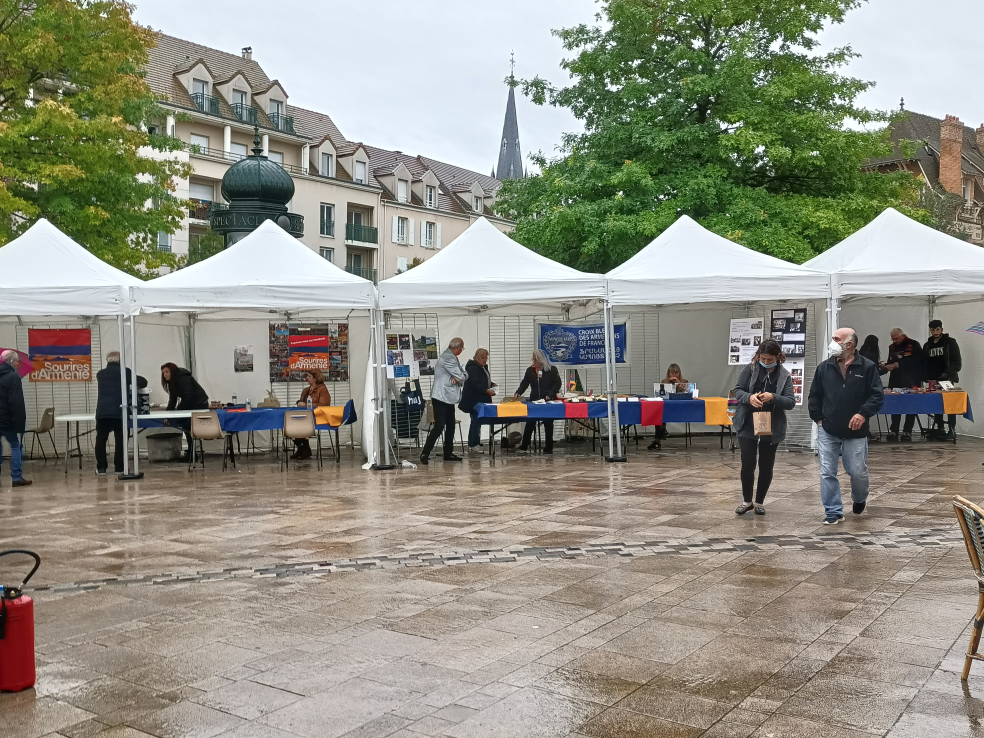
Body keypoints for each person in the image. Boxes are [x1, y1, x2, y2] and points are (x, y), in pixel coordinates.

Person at [808, 328, 884, 525]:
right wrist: (818, 419)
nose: (833, 342)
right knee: (827, 471)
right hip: (828, 429)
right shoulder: (824, 368)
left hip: (856, 432)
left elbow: (877, 396)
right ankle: (833, 511)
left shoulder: (867, 367)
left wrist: (863, 413)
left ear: (849, 344)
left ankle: (859, 498)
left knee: (857, 471)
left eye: (837, 339)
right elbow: (814, 396)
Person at [732, 340, 796, 516]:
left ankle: (759, 502)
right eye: (763, 358)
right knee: (748, 463)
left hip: (771, 426)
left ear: (778, 357)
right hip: (747, 422)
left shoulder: (784, 375)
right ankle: (747, 502)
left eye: (770, 359)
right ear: (758, 356)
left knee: (766, 465)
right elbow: (737, 391)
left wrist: (773, 397)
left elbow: (790, 402)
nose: (766, 362)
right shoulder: (750, 369)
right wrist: (749, 397)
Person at [94, 352, 147, 476]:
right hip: (119, 411)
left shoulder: (100, 374)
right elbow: (143, 382)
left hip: (102, 411)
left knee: (101, 440)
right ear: (120, 361)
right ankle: (119, 468)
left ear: (107, 361)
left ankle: (101, 468)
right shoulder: (124, 372)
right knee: (121, 440)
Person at [420, 338, 467, 464]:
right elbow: (462, 375)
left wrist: (459, 377)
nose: (462, 351)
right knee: (439, 425)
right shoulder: (448, 358)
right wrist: (459, 377)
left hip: (447, 397)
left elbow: (462, 375)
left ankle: (448, 453)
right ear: (458, 347)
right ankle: (425, 452)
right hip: (441, 397)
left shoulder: (452, 357)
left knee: (450, 425)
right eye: (462, 348)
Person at [511, 349, 562, 454]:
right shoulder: (530, 371)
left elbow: (557, 384)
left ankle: (549, 447)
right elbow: (524, 383)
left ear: (541, 361)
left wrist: (550, 394)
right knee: (530, 422)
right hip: (535, 400)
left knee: (548, 423)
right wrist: (518, 393)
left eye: (535, 361)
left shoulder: (552, 370)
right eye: (533, 360)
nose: (533, 363)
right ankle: (524, 445)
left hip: (547, 400)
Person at [882, 328, 925, 441]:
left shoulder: (913, 344)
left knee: (910, 406)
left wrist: (900, 364)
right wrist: (887, 366)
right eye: (892, 339)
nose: (894, 341)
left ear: (902, 336)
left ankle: (907, 431)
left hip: (911, 380)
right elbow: (890, 360)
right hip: (896, 380)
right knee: (895, 406)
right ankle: (894, 430)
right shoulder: (892, 347)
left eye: (896, 338)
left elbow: (920, 360)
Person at [161, 363, 210, 460]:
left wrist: (178, 411)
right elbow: (172, 400)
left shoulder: (184, 378)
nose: (165, 375)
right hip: (191, 404)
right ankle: (191, 453)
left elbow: (189, 396)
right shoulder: (172, 382)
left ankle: (192, 453)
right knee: (186, 425)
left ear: (172, 371)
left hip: (200, 404)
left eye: (166, 372)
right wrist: (167, 415)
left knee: (187, 425)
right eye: (163, 373)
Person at [924, 319, 962, 440]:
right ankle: (940, 428)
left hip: (947, 379)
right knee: (936, 404)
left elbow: (957, 362)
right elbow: (924, 363)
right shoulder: (927, 345)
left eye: (937, 329)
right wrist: (925, 376)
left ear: (942, 329)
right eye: (932, 330)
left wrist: (948, 373)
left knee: (950, 404)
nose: (935, 332)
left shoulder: (950, 343)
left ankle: (952, 429)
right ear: (930, 331)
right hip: (933, 380)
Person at [0, 350, 31, 487]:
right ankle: (17, 478)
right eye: (16, 362)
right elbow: (16, 402)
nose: (18, 364)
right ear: (12, 362)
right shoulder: (13, 377)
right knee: (15, 446)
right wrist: (20, 423)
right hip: (8, 420)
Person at [459, 349, 496, 454]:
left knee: (477, 421)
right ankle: (473, 444)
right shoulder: (472, 368)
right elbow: (475, 383)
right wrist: (486, 390)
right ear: (477, 358)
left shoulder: (483, 367)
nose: (485, 360)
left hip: (481, 400)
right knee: (475, 421)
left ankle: (474, 443)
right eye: (482, 358)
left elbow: (484, 380)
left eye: (486, 358)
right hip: (474, 400)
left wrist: (491, 384)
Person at [648, 364, 689, 449]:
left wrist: (678, 382)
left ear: (679, 373)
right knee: (657, 412)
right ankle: (658, 437)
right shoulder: (664, 382)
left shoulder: (684, 381)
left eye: (676, 373)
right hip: (667, 406)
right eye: (672, 373)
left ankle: (661, 433)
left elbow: (686, 393)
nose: (674, 375)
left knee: (661, 412)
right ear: (668, 373)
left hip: (679, 407)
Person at [293, 369, 330, 460]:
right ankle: (303, 447)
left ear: (316, 378)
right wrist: (299, 403)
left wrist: (305, 405)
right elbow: (301, 402)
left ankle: (304, 448)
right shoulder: (306, 390)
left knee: (298, 424)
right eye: (307, 376)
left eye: (309, 376)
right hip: (305, 416)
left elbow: (324, 405)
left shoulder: (322, 389)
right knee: (290, 424)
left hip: (318, 417)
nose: (307, 378)